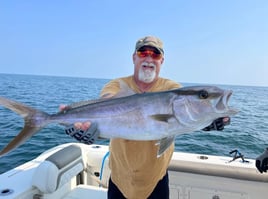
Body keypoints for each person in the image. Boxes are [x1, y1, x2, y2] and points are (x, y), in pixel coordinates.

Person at [63, 36, 230, 199]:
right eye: (143, 53)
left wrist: (207, 122)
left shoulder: (171, 88)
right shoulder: (117, 84)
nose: (149, 58)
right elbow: (107, 100)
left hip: (156, 180)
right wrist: (79, 120)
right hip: (119, 178)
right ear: (134, 57)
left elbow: (186, 116)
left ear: (161, 61)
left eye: (155, 54)